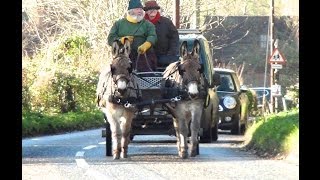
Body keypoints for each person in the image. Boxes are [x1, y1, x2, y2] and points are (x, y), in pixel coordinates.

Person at [107, 0, 158, 72]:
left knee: (146, 75)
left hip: (144, 56)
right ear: (131, 11)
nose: (140, 11)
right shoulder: (118, 24)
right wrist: (121, 40)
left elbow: (153, 36)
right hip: (123, 57)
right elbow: (110, 39)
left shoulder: (148, 24)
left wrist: (147, 44)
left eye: (141, 9)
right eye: (137, 9)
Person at [143, 0, 179, 67]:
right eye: (149, 9)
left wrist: (170, 54)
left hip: (165, 59)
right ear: (146, 11)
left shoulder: (167, 22)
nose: (152, 11)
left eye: (155, 9)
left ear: (157, 10)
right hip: (145, 59)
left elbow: (175, 39)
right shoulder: (141, 24)